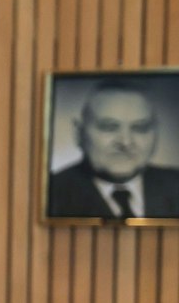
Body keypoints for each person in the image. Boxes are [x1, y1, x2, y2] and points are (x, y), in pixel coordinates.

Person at [46, 79, 179, 219]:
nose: (125, 142)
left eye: (140, 128)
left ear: (156, 133)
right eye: (109, 127)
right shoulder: (51, 194)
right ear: (79, 133)